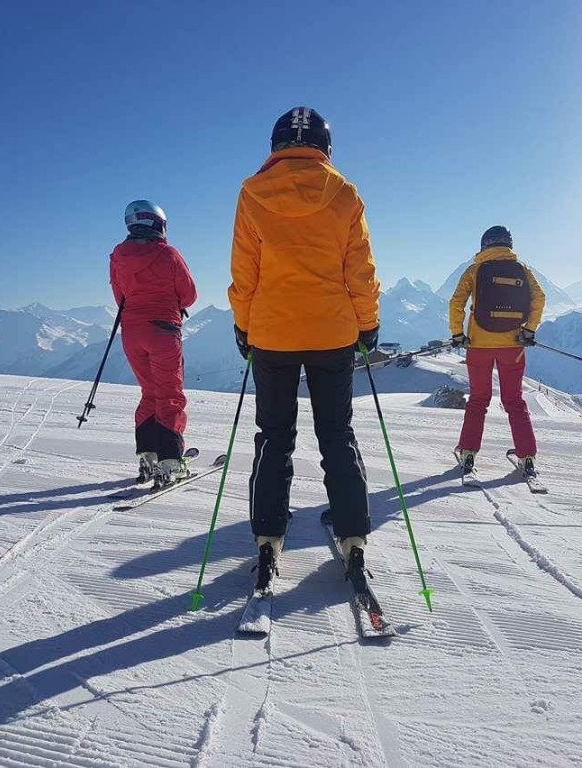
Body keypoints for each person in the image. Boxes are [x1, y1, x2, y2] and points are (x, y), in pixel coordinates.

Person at [228, 106, 381, 594]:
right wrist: (367, 324)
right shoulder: (345, 194)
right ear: (325, 147)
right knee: (337, 433)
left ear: (275, 146)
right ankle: (353, 534)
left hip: (272, 333)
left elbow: (244, 272)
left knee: (273, 435)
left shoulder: (252, 193)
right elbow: (359, 270)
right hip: (333, 333)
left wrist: (243, 327)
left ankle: (268, 535)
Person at [110, 200, 197, 485]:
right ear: (158, 223)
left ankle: (147, 458)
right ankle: (171, 462)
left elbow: (119, 297)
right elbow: (189, 295)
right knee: (169, 394)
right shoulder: (169, 254)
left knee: (149, 392)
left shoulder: (118, 256)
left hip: (132, 332)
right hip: (163, 330)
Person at [448, 225, 546, 476]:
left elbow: (456, 302)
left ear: (484, 246)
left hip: (479, 346)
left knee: (478, 400)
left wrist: (458, 334)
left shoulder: (475, 270)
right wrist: (530, 329)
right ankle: (527, 457)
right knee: (514, 401)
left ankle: (468, 453)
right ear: (508, 245)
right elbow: (539, 298)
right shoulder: (523, 270)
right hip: (513, 345)